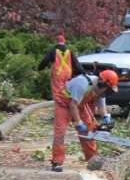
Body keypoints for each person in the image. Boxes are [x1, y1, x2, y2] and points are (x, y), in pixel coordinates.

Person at [37, 34, 85, 172]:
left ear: (56, 41)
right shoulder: (70, 51)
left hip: (58, 81)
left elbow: (45, 61)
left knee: (59, 99)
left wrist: (39, 68)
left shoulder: (53, 51)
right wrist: (83, 74)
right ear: (64, 41)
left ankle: (57, 161)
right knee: (67, 98)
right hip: (68, 80)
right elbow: (77, 66)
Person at [62, 69, 119, 167]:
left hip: (79, 105)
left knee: (88, 131)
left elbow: (101, 107)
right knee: (60, 130)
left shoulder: (101, 91)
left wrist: (106, 117)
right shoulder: (83, 83)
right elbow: (73, 105)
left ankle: (92, 159)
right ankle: (57, 161)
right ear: (101, 84)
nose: (106, 92)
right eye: (107, 89)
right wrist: (79, 123)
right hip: (64, 103)